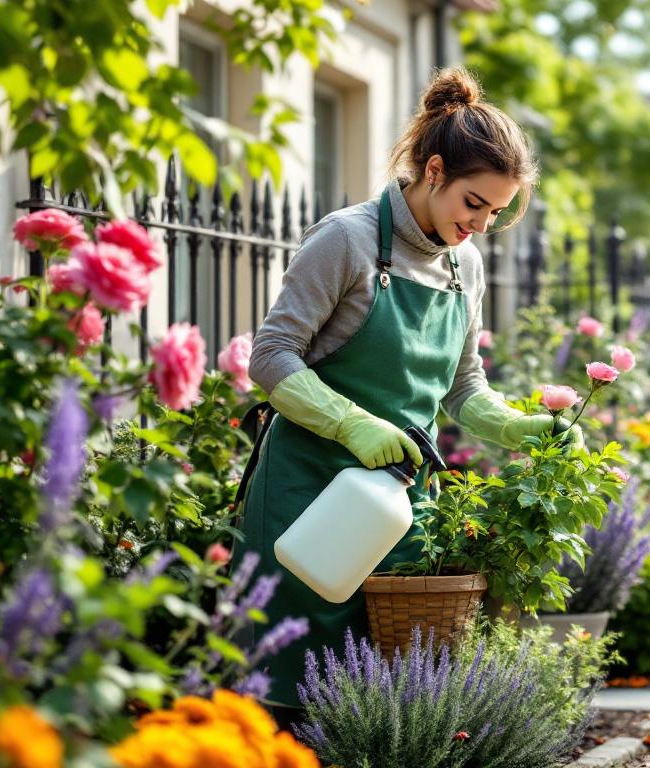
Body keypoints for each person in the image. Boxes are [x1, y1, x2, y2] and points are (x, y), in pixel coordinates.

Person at [238, 66, 580, 726]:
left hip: (397, 509)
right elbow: (271, 355)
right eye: (473, 203)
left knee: (388, 704)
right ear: (432, 171)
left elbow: (462, 387)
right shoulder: (348, 239)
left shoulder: (464, 264)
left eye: (496, 213)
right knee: (289, 702)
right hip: (305, 502)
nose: (480, 223)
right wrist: (349, 424)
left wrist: (518, 427)